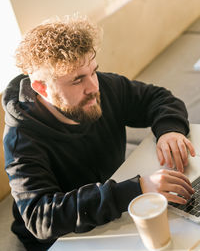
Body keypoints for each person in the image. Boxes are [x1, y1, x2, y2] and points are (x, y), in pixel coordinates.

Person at [2, 14, 196, 251]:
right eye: (77, 80)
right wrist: (137, 189)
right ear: (41, 88)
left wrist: (170, 130)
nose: (94, 87)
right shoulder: (22, 138)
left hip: (111, 205)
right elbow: (41, 218)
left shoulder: (103, 86)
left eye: (93, 71)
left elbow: (158, 99)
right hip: (63, 237)